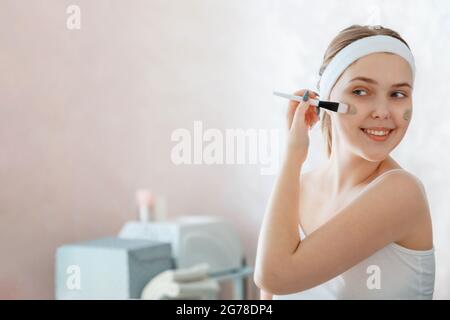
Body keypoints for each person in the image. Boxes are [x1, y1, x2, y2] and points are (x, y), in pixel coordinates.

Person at [254, 24, 435, 299]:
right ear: (325, 100)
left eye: (398, 94)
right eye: (361, 91)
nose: (383, 112)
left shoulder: (401, 192)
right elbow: (268, 294)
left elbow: (274, 276)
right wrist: (292, 162)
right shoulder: (298, 188)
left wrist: (293, 156)